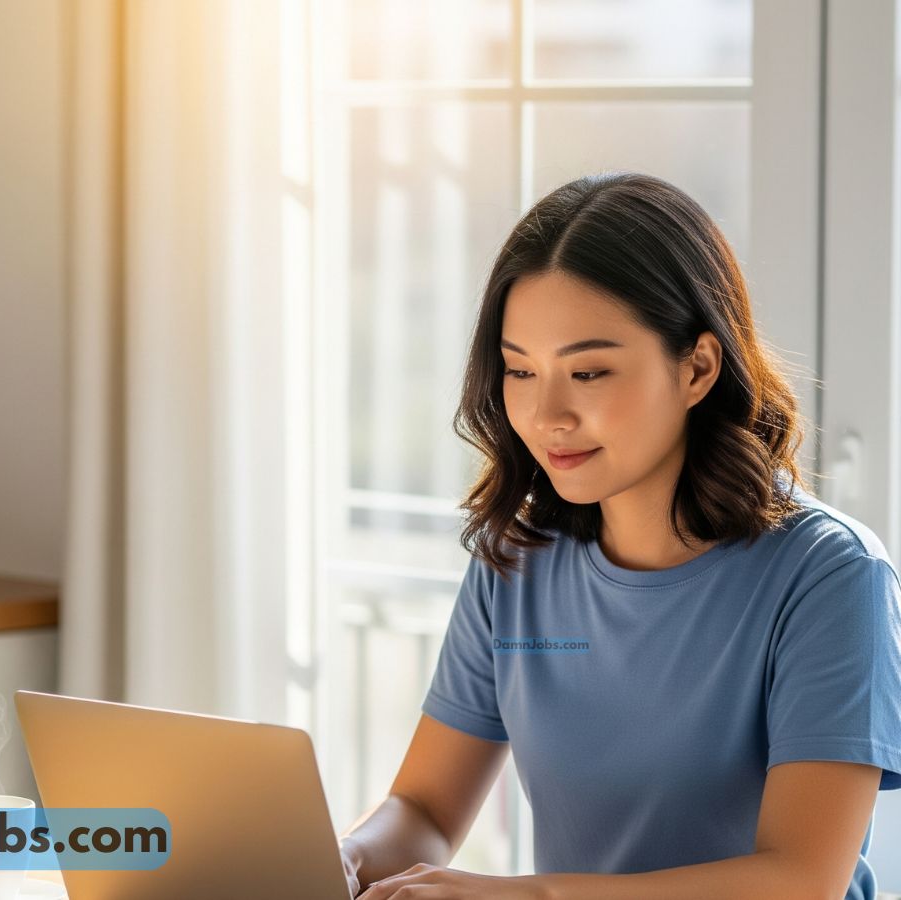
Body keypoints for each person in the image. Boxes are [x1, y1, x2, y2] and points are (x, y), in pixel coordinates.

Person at [337, 172, 901, 900]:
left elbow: (800, 880)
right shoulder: (517, 559)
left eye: (590, 371)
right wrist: (346, 856)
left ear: (697, 367)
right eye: (520, 370)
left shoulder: (831, 576)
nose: (547, 415)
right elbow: (424, 810)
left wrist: (525, 897)